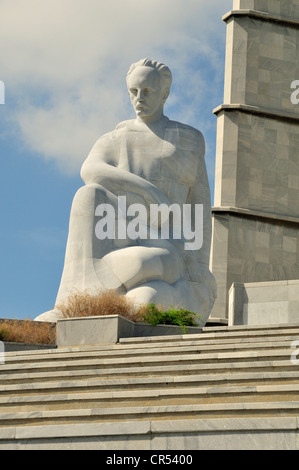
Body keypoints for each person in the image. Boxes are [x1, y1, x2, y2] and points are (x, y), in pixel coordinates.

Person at [36, 59, 216, 324]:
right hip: (124, 239)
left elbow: (200, 207)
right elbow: (90, 170)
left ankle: (93, 300)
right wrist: (146, 189)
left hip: (172, 251)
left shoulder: (188, 139)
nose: (139, 98)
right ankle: (71, 304)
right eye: (133, 91)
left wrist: (199, 266)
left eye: (147, 91)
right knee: (88, 196)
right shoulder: (115, 138)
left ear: (164, 94)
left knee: (149, 289)